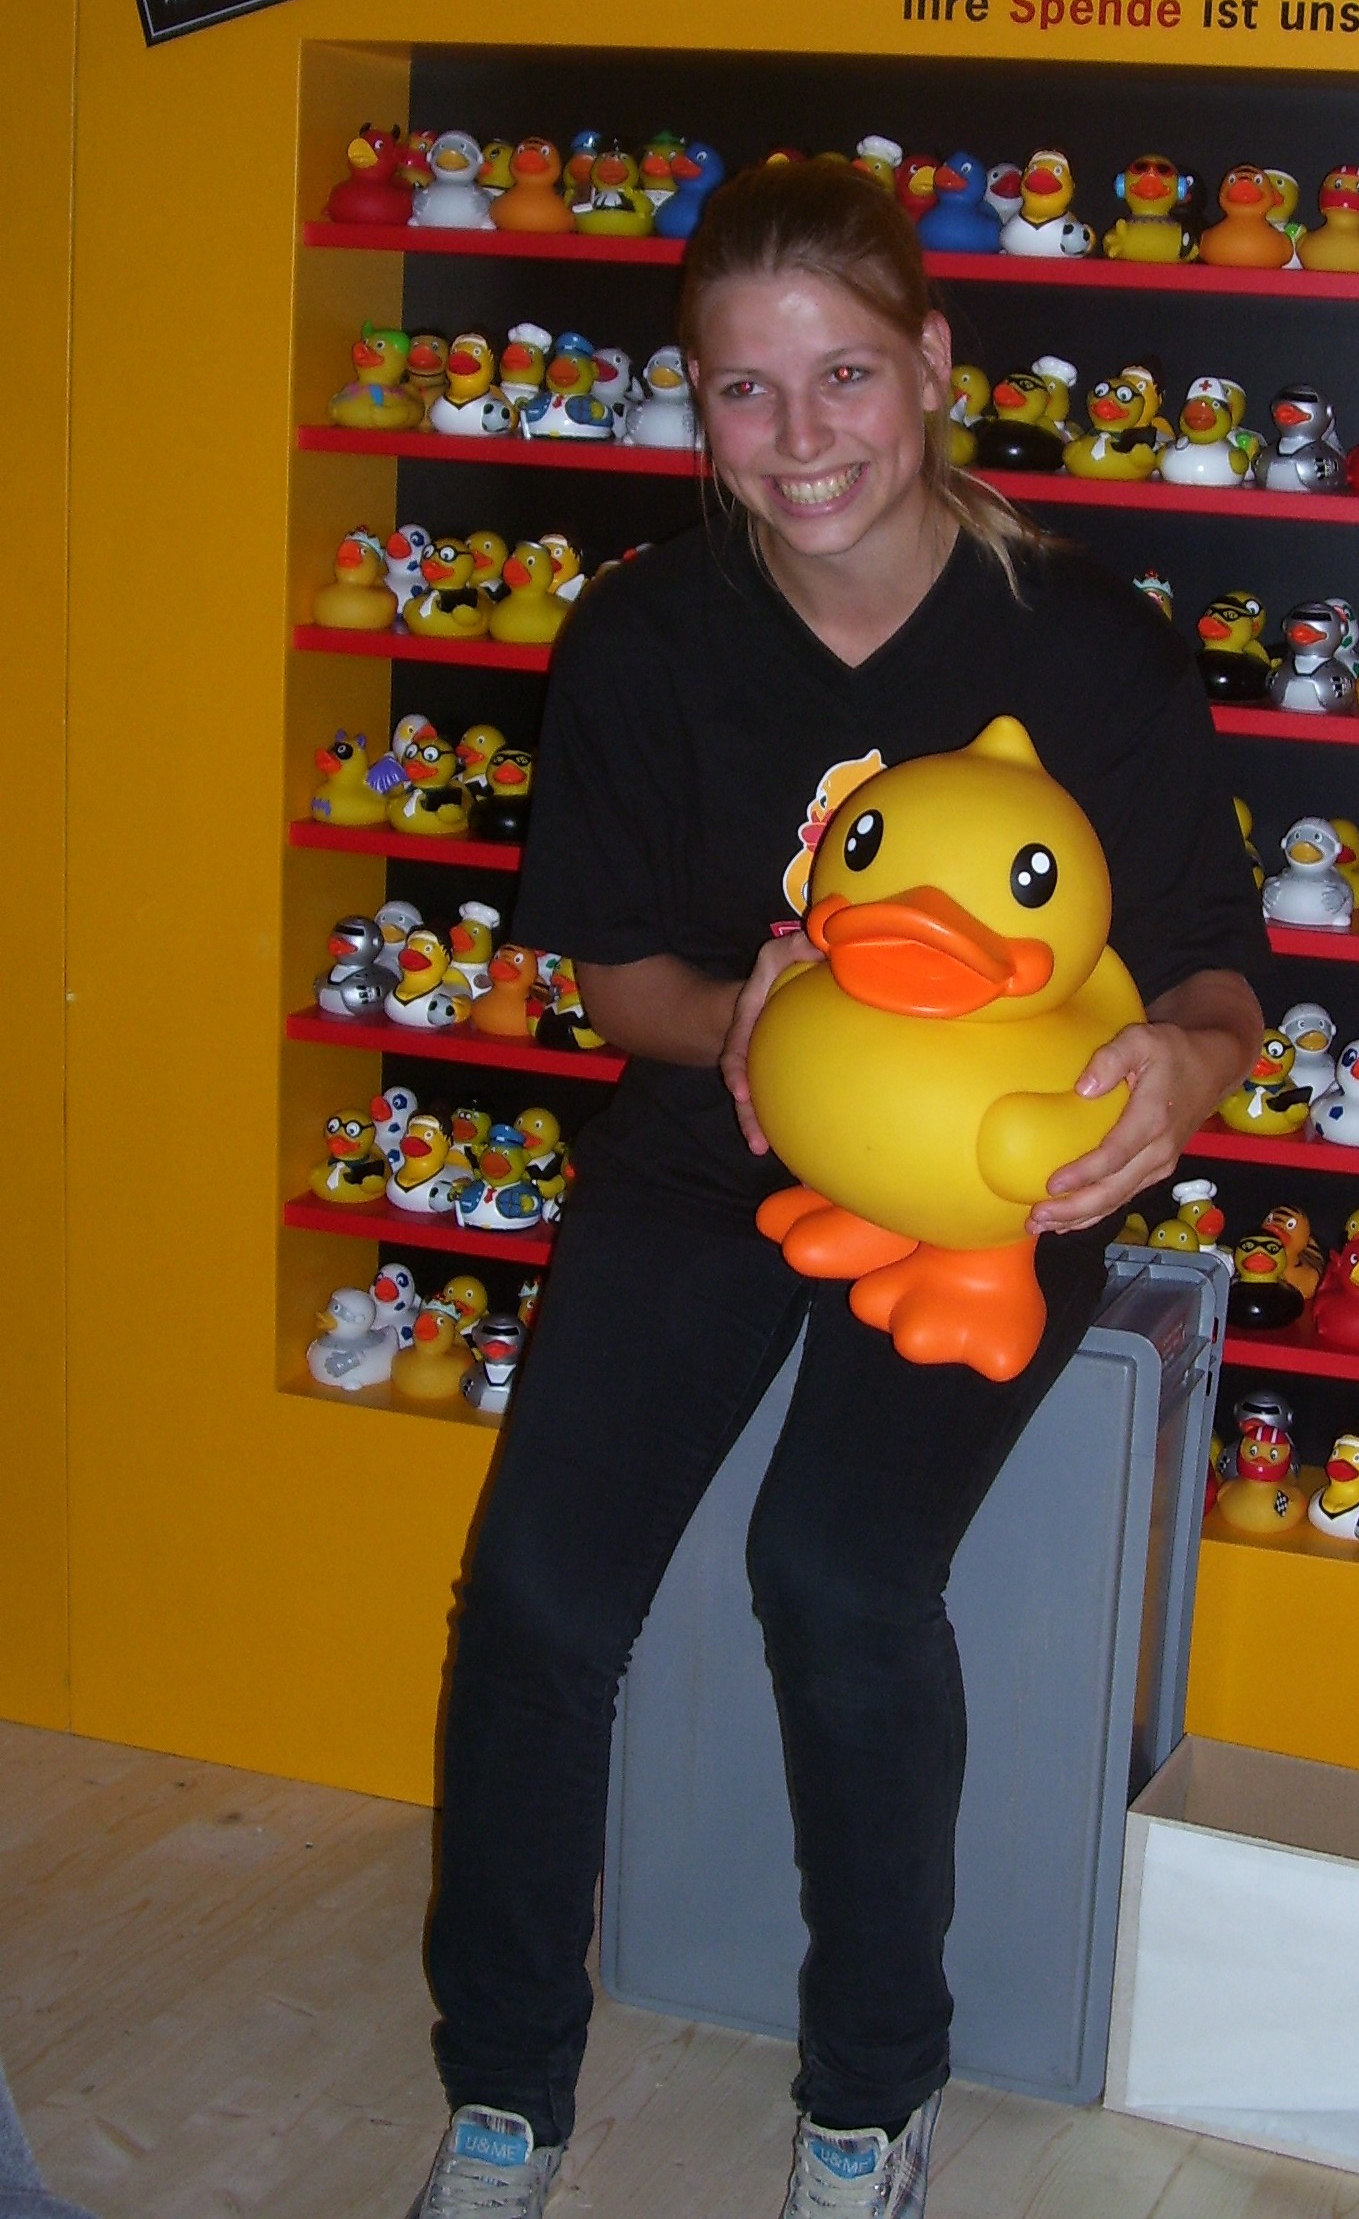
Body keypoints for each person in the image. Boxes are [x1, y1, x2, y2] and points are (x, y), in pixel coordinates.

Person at [409, 158, 1265, 2219]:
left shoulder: (1090, 645)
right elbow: (618, 978)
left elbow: (1221, 978)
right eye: (745, 389)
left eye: (846, 376)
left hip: (988, 1200)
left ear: (935, 364)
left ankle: (870, 2100)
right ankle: (504, 2096)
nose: (800, 438)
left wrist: (1182, 1075)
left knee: (838, 1573)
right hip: (709, 1161)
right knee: (537, 1598)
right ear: (694, 400)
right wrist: (752, 1025)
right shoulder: (642, 635)